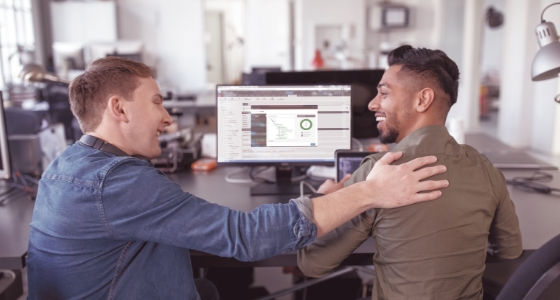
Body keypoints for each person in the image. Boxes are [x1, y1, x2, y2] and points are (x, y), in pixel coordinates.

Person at [27, 56, 450, 300]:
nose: (168, 118)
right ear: (119, 109)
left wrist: (323, 199)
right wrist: (369, 191)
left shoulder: (71, 166)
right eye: (157, 103)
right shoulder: (115, 183)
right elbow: (243, 236)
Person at [297, 45, 523, 300]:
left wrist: (321, 199)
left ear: (422, 100)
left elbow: (313, 263)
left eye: (383, 93)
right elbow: (510, 250)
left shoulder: (380, 172)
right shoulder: (486, 169)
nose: (372, 103)